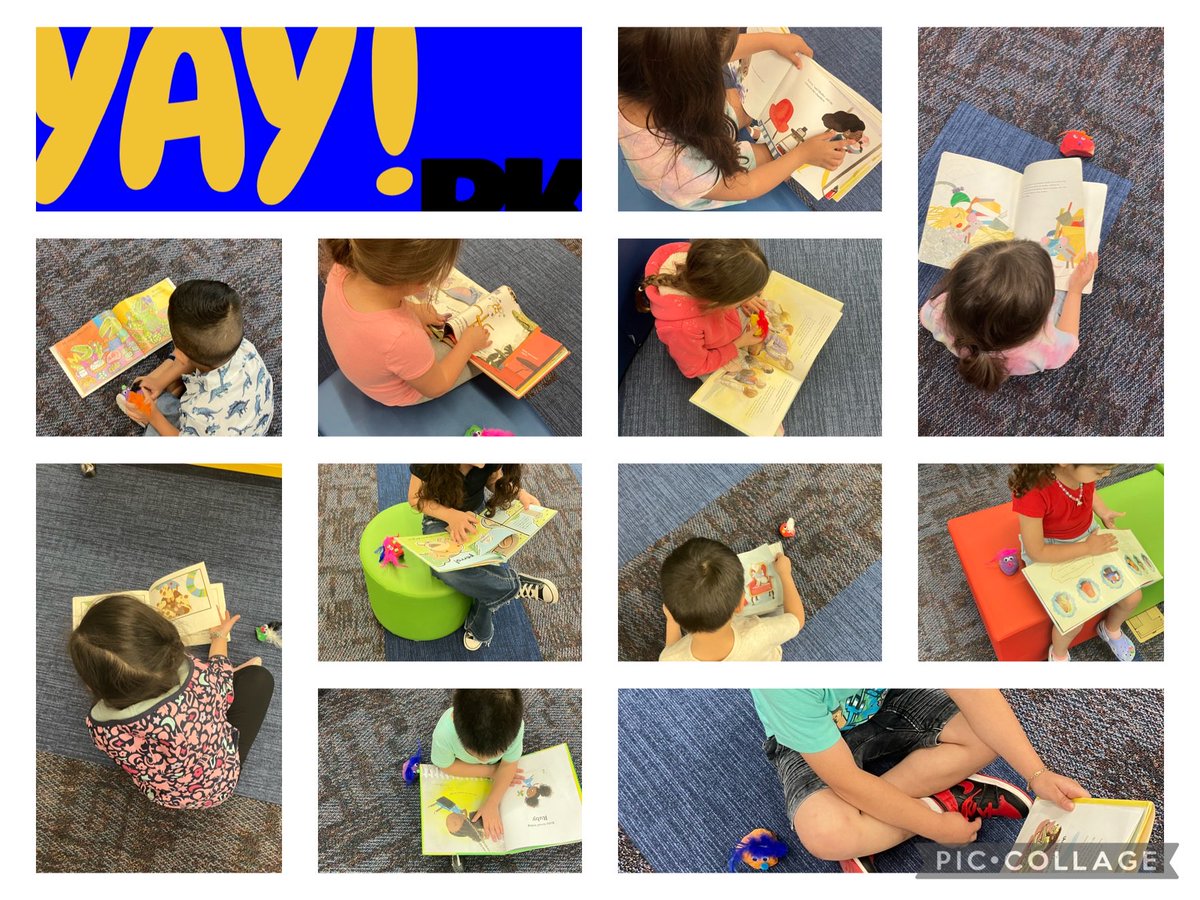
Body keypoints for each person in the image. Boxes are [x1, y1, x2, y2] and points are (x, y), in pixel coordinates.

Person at [752, 688, 1088, 872]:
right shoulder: (784, 686)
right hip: (805, 744)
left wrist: (1037, 773)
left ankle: (869, 832)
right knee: (825, 835)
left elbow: (976, 694)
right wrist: (934, 824)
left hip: (888, 698)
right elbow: (846, 781)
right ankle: (947, 797)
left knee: (987, 737)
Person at [67, 594, 274, 809]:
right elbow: (220, 676)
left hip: (166, 797)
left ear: (92, 684)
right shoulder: (199, 680)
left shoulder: (101, 728)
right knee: (259, 679)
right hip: (220, 784)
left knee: (227, 688)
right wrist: (219, 637)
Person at [618, 28, 848, 209]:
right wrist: (802, 155)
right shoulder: (679, 171)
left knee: (747, 100)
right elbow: (748, 186)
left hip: (690, 123)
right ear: (691, 83)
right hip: (708, 178)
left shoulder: (633, 69)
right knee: (778, 152)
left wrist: (770, 40)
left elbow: (703, 50)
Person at [319, 239, 491, 405]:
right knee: (478, 358)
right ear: (421, 282)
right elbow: (437, 385)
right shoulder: (403, 337)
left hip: (366, 368)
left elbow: (371, 306)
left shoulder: (340, 269)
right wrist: (468, 344)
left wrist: (413, 311)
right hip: (402, 392)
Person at [408, 464, 558, 651]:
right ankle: (514, 586)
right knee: (444, 568)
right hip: (440, 520)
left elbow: (494, 480)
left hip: (477, 516)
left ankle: (499, 596)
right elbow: (415, 498)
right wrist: (452, 516)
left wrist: (520, 494)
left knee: (484, 562)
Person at [919, 239, 1098, 392]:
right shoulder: (1047, 347)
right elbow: (1069, 342)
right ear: (1046, 308)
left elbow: (924, 315)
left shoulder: (937, 313)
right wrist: (1075, 290)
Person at [1010, 464, 1141, 662]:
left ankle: (1110, 629)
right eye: (1099, 471)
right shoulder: (1032, 492)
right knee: (1073, 619)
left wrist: (1103, 511)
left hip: (1089, 536)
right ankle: (1059, 654)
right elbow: (1037, 552)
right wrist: (1087, 548)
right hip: (1051, 550)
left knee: (1133, 597)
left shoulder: (1081, 475)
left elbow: (1091, 491)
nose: (1107, 475)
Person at [118, 279, 274, 435]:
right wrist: (159, 382)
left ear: (180, 354)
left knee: (155, 432)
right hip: (254, 419)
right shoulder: (244, 346)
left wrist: (153, 416)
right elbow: (191, 358)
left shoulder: (200, 413)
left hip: (215, 449)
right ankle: (166, 392)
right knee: (197, 354)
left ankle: (161, 404)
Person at [639, 239, 773, 378]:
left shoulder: (703, 261)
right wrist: (738, 344)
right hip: (700, 354)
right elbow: (695, 368)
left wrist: (744, 297)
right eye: (744, 298)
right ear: (717, 301)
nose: (749, 299)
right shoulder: (682, 328)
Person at [660, 537, 804, 661]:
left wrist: (672, 622)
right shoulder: (760, 631)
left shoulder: (669, 660)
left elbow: (672, 648)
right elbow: (797, 619)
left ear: (674, 612)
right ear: (741, 604)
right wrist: (785, 574)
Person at [430, 689, 526, 841]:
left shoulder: (517, 728)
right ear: (454, 718)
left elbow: (508, 765)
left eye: (496, 754)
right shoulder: (444, 734)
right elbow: (446, 766)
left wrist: (492, 803)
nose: (483, 760)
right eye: (474, 753)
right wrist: (491, 770)